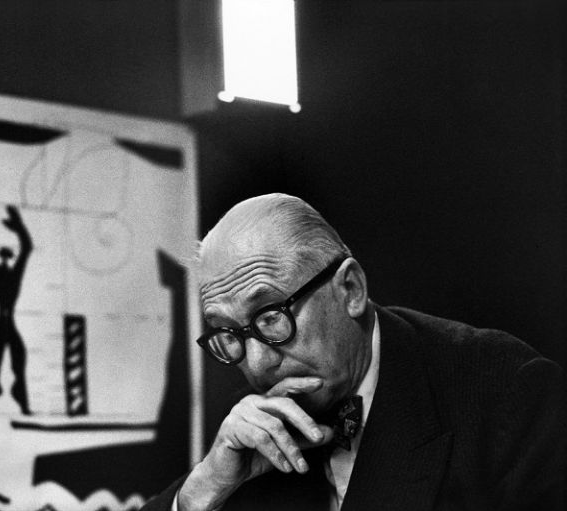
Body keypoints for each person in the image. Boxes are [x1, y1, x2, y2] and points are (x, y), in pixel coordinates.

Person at [141, 193, 565, 511]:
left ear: (350, 290)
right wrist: (204, 487)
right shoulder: (252, 432)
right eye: (229, 334)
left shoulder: (507, 393)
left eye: (270, 317)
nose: (256, 364)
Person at [0, 205, 33, 415]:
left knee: (16, 358)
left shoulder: (10, 274)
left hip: (6, 322)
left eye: (7, 256)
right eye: (4, 256)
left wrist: (19, 226)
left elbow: (27, 247)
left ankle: (18, 397)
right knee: (0, 361)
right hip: (2, 322)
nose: (5, 259)